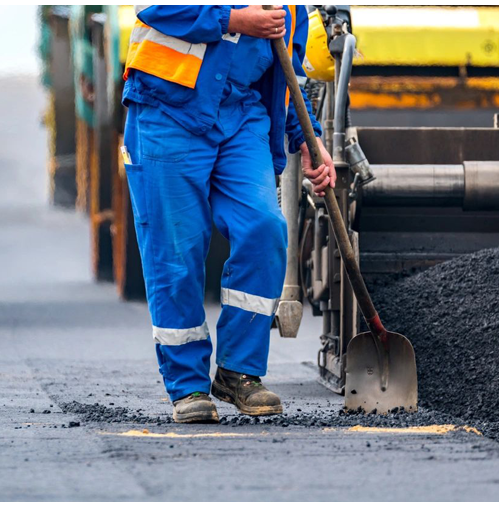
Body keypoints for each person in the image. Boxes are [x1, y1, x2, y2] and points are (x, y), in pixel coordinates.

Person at [122, 5, 335, 423]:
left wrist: (308, 138)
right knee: (177, 250)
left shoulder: (291, 6)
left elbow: (286, 74)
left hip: (241, 117)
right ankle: (187, 387)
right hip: (167, 110)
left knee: (263, 227)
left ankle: (239, 371)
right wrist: (233, 21)